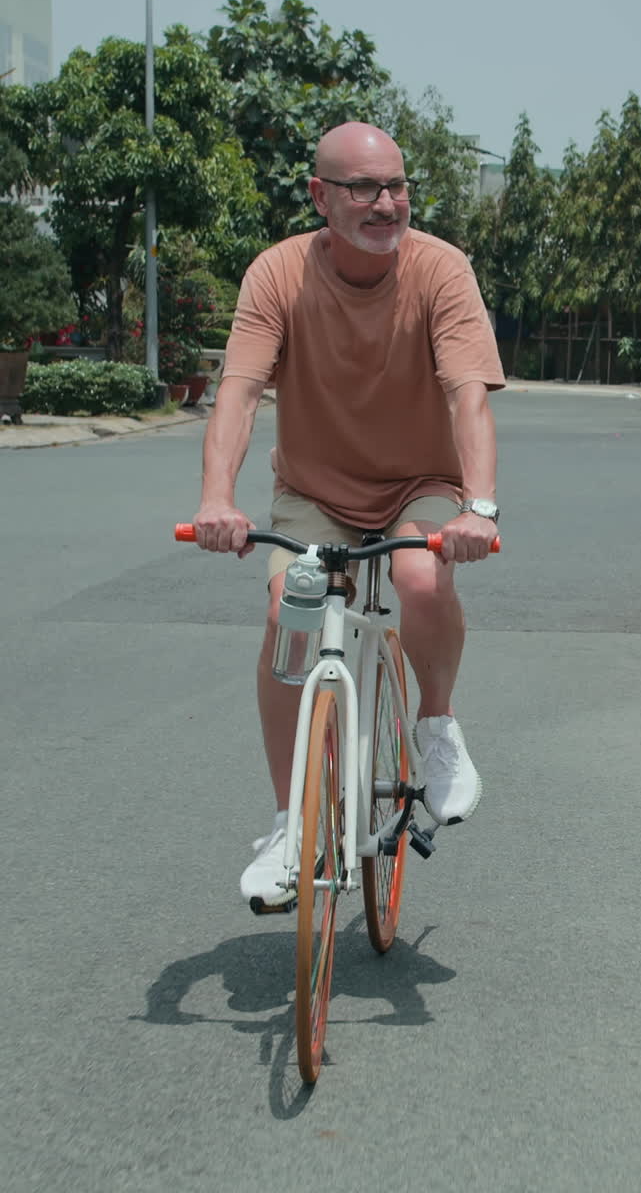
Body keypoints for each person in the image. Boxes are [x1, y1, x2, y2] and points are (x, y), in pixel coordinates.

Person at [193, 121, 506, 909]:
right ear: (320, 197)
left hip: (419, 483)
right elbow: (238, 391)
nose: (386, 202)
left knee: (421, 577)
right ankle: (287, 827)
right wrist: (216, 500)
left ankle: (435, 729)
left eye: (396, 185)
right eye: (364, 188)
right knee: (287, 605)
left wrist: (479, 506)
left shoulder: (441, 270)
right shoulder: (277, 274)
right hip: (315, 491)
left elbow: (469, 395)